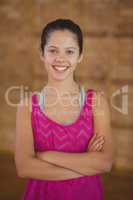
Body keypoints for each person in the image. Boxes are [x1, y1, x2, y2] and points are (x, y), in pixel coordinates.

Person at [15, 18, 114, 200]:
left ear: (80, 56)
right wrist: (86, 164)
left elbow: (105, 163)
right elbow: (24, 168)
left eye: (70, 51)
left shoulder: (96, 102)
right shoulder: (27, 106)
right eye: (53, 50)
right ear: (42, 54)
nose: (60, 58)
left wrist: (46, 156)